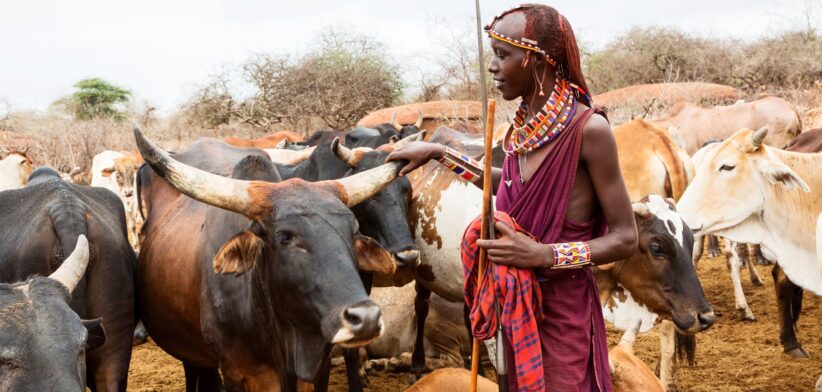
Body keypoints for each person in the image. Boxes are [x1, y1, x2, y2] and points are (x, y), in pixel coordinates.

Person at [386, 4, 638, 391]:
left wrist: (543, 255)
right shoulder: (522, 128)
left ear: (537, 61)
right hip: (515, 307)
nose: (492, 67)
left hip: (563, 314)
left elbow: (625, 238)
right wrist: (442, 155)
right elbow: (514, 187)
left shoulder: (589, 129)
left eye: (503, 55)